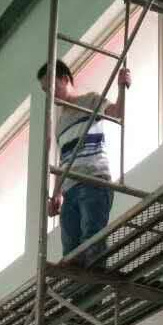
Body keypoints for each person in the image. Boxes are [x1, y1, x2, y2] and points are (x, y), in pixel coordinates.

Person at [37, 58, 132, 263]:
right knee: (71, 252)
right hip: (70, 190)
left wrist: (121, 87)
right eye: (45, 91)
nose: (49, 94)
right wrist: (56, 194)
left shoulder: (90, 100)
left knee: (92, 240)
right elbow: (63, 161)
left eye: (51, 86)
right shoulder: (59, 123)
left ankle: (95, 282)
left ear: (65, 79)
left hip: (93, 180)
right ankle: (79, 285)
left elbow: (118, 114)